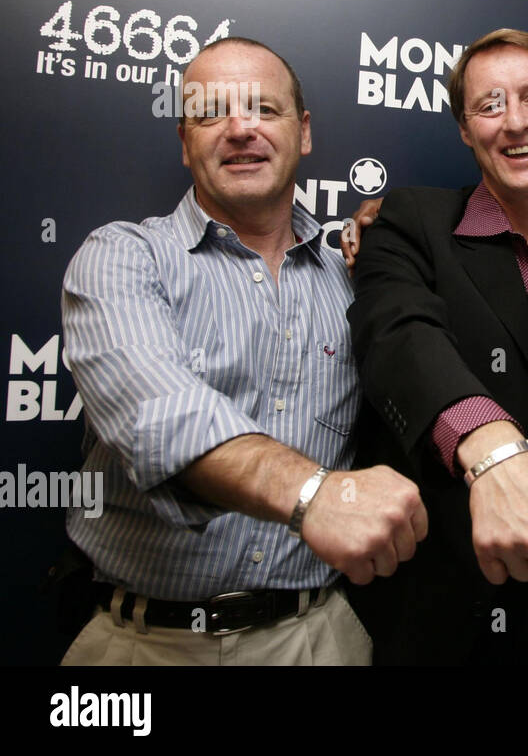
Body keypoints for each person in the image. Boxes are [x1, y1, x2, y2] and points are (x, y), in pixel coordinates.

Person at [60, 37, 427, 666]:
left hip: (319, 638)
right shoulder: (121, 256)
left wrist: (396, 241)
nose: (240, 129)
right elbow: (164, 419)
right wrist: (317, 496)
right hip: (145, 645)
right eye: (211, 113)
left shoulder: (356, 275)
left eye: (263, 108)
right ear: (184, 141)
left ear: (303, 133)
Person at [344, 28, 528, 664]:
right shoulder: (411, 221)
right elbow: (396, 333)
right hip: (443, 610)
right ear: (462, 128)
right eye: (488, 105)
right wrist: (494, 452)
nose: (515, 123)